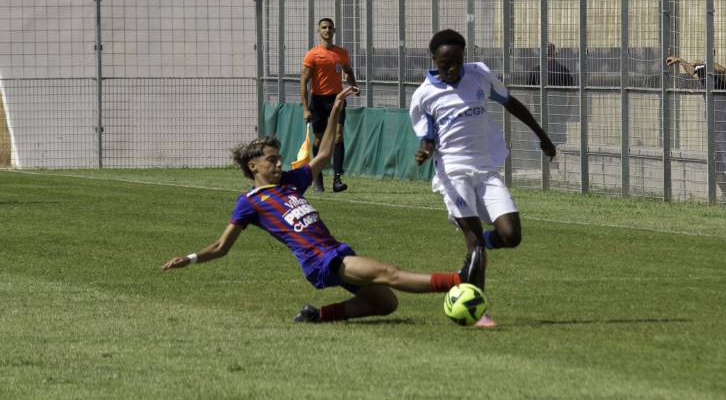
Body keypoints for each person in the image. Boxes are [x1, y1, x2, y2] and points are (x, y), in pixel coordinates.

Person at [161, 87, 467, 323]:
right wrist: (189, 258)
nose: (279, 163)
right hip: (319, 259)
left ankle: (316, 316)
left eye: (278, 158)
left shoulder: (291, 182)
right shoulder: (250, 201)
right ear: (253, 166)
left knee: (386, 304)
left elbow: (321, 157)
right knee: (389, 272)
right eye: (271, 159)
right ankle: (460, 280)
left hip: (333, 249)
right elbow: (221, 246)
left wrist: (335, 110)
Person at [409, 29, 557, 328]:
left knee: (511, 235)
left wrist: (541, 135)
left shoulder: (479, 75)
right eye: (445, 63)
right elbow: (427, 137)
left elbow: (510, 102)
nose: (452, 68)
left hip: (486, 169)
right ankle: (477, 309)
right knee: (473, 242)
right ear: (434, 59)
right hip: (453, 171)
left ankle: (477, 254)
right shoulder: (424, 95)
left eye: (457, 61)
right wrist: (424, 151)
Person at [666, 55, 726, 203]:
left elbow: (724, 70)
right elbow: (692, 72)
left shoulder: (725, 82)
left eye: (703, 72)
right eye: (700, 73)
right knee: (716, 168)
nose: (700, 75)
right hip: (715, 130)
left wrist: (703, 63)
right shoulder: (705, 81)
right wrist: (681, 61)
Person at [300, 18, 359, 193]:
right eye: (324, 28)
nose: (327, 30)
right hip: (318, 101)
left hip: (337, 99)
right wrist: (305, 108)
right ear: (318, 31)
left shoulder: (341, 53)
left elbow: (348, 70)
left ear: (334, 31)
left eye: (330, 28)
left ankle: (337, 179)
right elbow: (304, 82)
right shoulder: (312, 54)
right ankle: (317, 177)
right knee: (319, 139)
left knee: (338, 136)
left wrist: (353, 84)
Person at [527, 42, 575, 151]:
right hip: (555, 114)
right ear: (555, 53)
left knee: (543, 142)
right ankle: (554, 164)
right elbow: (572, 93)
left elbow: (528, 95)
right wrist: (568, 110)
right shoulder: (562, 70)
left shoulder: (536, 70)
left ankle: (546, 164)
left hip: (547, 114)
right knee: (557, 143)